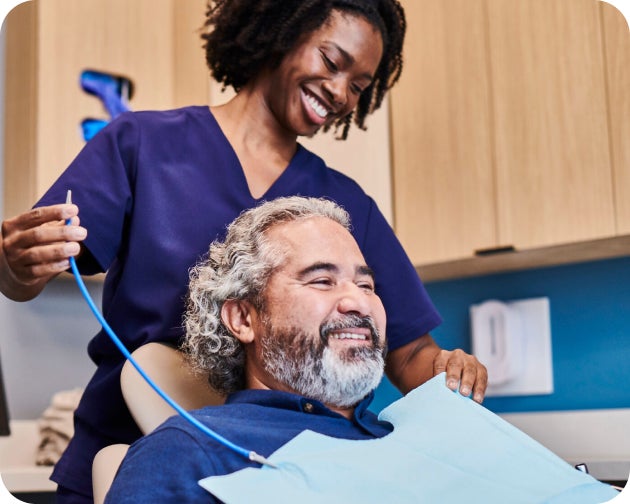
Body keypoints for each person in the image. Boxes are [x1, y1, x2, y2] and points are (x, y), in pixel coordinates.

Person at [0, 1, 487, 502]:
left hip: (289, 469)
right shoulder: (144, 145)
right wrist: (14, 262)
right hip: (136, 449)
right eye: (331, 61)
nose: (341, 93)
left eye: (360, 86)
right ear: (282, 30)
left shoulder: (347, 206)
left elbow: (410, 352)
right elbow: (28, 272)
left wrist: (450, 372)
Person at [106, 196, 394, 503]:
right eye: (322, 281)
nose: (359, 303)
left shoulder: (405, 432)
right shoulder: (185, 452)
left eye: (366, 286)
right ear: (244, 319)